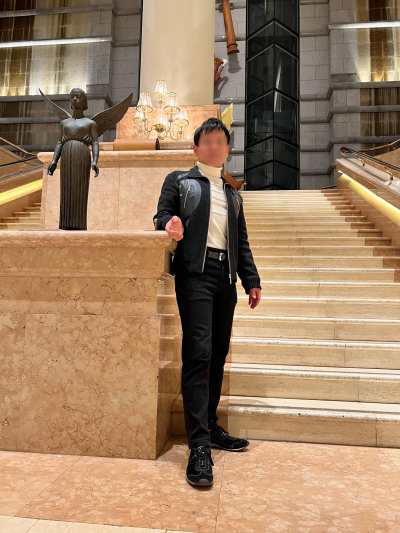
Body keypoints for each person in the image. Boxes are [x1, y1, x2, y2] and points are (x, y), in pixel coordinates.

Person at [153, 117, 262, 487]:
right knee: (198, 353)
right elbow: (162, 214)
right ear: (196, 148)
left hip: (225, 279)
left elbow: (241, 242)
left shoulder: (233, 194)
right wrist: (169, 224)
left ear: (228, 149)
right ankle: (198, 445)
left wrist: (251, 280)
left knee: (217, 353)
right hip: (195, 274)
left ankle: (210, 425)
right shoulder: (180, 181)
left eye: (221, 141)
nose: (215, 146)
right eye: (208, 141)